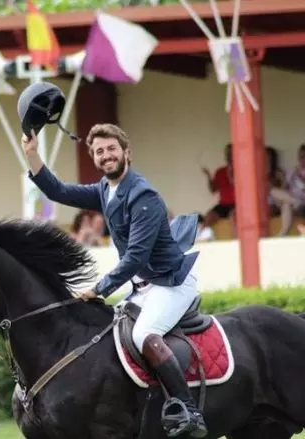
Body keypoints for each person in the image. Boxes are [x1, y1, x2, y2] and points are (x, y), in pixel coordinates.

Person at [22, 122, 207, 438]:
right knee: (110, 333)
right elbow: (58, 191)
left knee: (143, 335)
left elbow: (135, 257)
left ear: (126, 153)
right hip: (143, 288)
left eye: (111, 149)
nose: (106, 156)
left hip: (171, 284)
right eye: (99, 151)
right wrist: (32, 155)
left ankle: (186, 409)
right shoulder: (105, 191)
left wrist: (98, 289)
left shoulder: (143, 196)